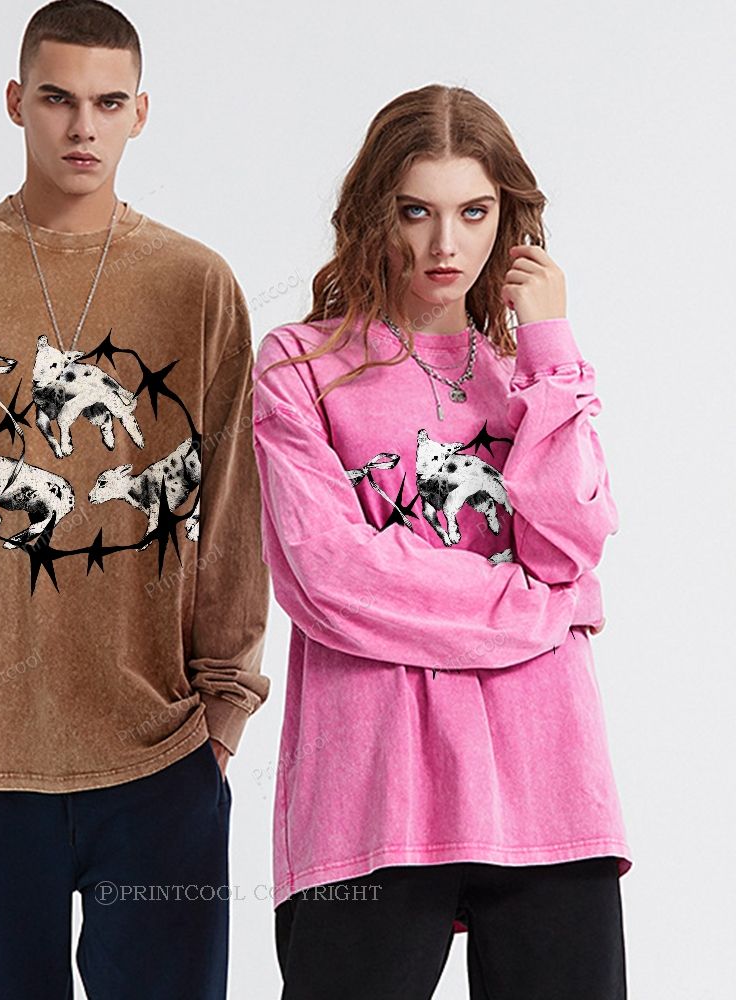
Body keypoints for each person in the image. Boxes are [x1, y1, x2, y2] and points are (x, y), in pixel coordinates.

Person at [0, 3, 270, 997]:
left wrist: (224, 712)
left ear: (141, 113)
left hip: (160, 758)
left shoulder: (197, 284)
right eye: (59, 99)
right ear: (15, 101)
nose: (82, 127)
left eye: (109, 104)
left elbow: (237, 513)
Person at [250, 83, 631, 1000]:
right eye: (416, 211)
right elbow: (332, 577)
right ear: (374, 213)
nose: (445, 246)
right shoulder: (301, 365)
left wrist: (549, 344)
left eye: (474, 212)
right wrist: (542, 609)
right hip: (374, 798)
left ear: (509, 218)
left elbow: (570, 542)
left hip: (547, 787)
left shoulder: (529, 372)